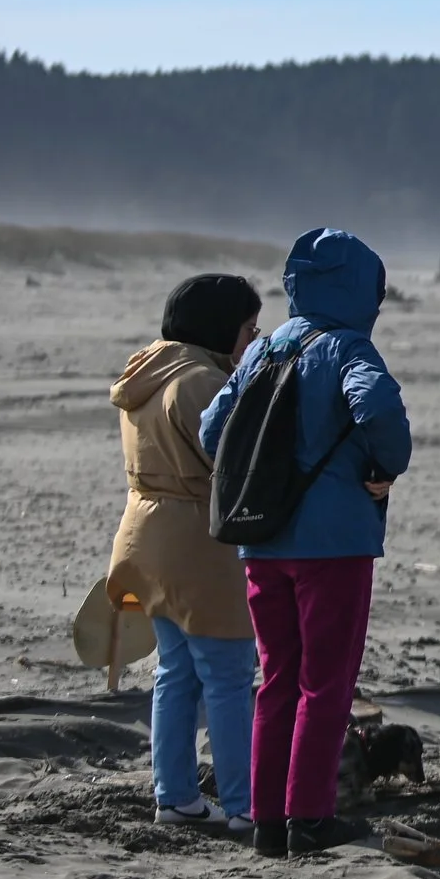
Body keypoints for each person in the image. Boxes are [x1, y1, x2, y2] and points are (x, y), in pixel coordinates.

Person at [199, 229, 411, 859]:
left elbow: (214, 431)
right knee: (326, 683)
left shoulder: (266, 347)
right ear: (362, 288)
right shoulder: (350, 349)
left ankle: (267, 820)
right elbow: (378, 410)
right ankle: (310, 817)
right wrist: (384, 466)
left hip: (263, 540)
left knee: (278, 680)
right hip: (335, 543)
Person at [108, 273, 264, 839]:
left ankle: (174, 796)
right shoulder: (199, 380)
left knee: (176, 673)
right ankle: (245, 804)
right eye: (250, 327)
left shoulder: (147, 370)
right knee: (226, 675)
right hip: (198, 541)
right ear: (223, 328)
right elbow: (232, 461)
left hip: (143, 535)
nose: (255, 337)